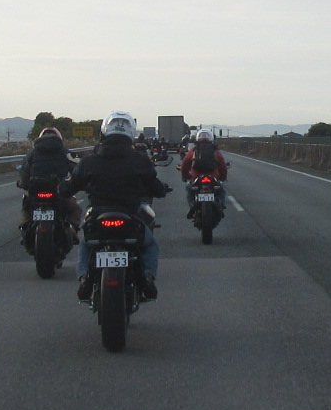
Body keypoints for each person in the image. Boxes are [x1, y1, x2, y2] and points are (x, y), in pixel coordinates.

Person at [63, 111, 170, 301]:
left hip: (98, 218)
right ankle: (147, 276)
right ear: (130, 133)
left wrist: (62, 188)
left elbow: (70, 186)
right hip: (131, 218)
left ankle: (84, 278)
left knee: (86, 244)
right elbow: (155, 186)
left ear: (104, 132)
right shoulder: (140, 160)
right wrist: (162, 190)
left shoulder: (89, 161)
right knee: (150, 244)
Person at [16, 125, 77, 243]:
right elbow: (76, 169)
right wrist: (75, 184)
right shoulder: (65, 152)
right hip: (58, 191)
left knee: (26, 207)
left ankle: (25, 230)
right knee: (74, 209)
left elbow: (25, 172)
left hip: (36, 190)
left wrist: (23, 184)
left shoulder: (33, 153)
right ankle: (72, 232)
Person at [179, 126, 228, 217]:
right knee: (221, 191)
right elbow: (222, 167)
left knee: (189, 189)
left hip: (196, 178)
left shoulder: (193, 151)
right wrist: (222, 177)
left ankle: (192, 205)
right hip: (213, 178)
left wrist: (185, 177)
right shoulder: (215, 152)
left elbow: (184, 165)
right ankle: (220, 204)